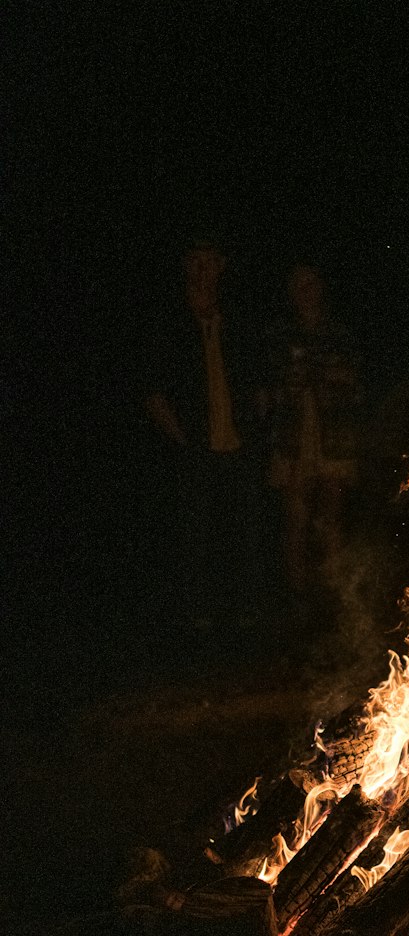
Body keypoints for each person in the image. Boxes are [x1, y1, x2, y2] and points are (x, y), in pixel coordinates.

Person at [143, 238, 258, 640]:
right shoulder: (171, 322)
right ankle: (197, 619)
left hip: (236, 442)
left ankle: (241, 613)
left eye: (211, 261)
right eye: (196, 261)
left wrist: (252, 426)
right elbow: (155, 390)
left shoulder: (235, 320)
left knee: (239, 530)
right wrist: (182, 439)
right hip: (195, 446)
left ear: (221, 266)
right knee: (195, 533)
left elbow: (253, 379)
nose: (204, 270)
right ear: (186, 266)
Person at [262, 263, 363, 597]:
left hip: (335, 433)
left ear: (321, 286)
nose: (305, 289)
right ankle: (297, 593)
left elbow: (353, 382)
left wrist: (321, 376)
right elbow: (272, 385)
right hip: (293, 435)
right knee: (296, 516)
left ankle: (333, 591)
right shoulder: (281, 333)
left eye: (311, 282)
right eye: (298, 283)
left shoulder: (339, 332)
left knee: (332, 514)